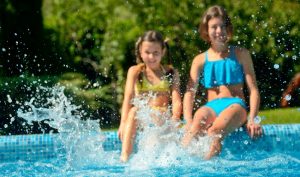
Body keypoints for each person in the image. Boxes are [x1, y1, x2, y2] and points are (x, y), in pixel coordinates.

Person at [181, 5, 262, 160]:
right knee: (194, 129)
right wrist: (188, 121)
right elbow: (189, 94)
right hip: (211, 107)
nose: (219, 31)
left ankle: (205, 170)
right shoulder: (199, 60)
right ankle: (180, 168)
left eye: (223, 26)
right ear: (206, 30)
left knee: (214, 131)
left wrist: (252, 119)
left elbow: (253, 90)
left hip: (236, 105)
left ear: (228, 28)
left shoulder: (240, 54)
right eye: (214, 27)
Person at [118, 30, 182, 162]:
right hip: (143, 118)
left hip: (162, 117)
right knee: (134, 110)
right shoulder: (136, 71)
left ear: (163, 52)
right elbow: (128, 98)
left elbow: (176, 101)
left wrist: (175, 119)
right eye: (147, 52)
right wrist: (123, 123)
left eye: (155, 53)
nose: (151, 57)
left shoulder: (170, 72)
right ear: (140, 51)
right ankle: (124, 156)